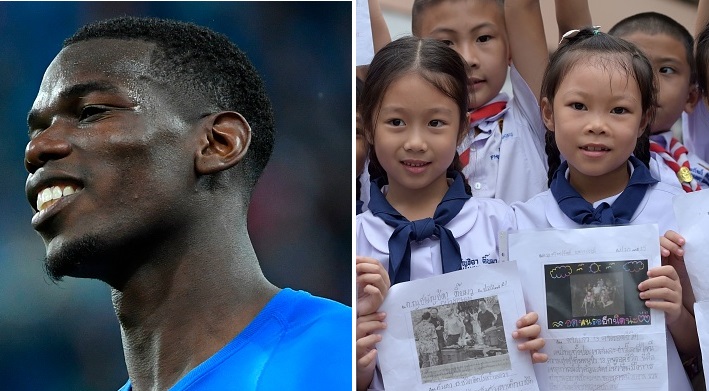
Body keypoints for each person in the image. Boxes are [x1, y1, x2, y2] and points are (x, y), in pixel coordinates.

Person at [23, 16, 350, 391]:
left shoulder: (343, 359)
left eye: (91, 112)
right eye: (37, 129)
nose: (37, 148)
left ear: (218, 143)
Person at [511, 27, 698, 391]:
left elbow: (694, 346)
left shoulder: (677, 213)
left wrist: (675, 310)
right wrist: (520, 336)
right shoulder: (520, 223)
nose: (597, 125)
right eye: (578, 106)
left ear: (644, 121)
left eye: (619, 110)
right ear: (548, 113)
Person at [355, 36, 545, 391]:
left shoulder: (502, 224)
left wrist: (536, 335)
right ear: (368, 126)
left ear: (462, 128)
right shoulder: (354, 246)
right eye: (396, 122)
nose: (415, 141)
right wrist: (359, 363)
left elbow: (535, 330)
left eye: (435, 123)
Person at [407, 0, 590, 204]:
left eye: (483, 38)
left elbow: (523, 6)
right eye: (446, 43)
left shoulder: (534, 114)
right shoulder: (405, 132)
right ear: (419, 52)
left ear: (510, 48)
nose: (468, 59)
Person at [609, 12, 709, 191]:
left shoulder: (702, 173)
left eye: (666, 70)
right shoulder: (585, 155)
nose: (650, 82)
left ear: (691, 97)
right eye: (633, 65)